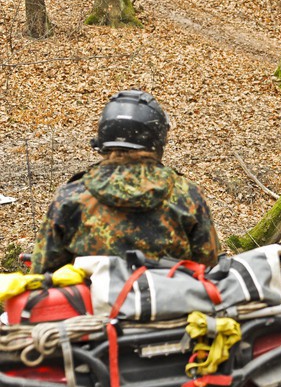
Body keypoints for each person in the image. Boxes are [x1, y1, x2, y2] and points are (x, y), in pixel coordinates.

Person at [31, 90, 220, 273]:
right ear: (158, 138)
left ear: (103, 137)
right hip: (167, 302)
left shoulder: (71, 198)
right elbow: (209, 268)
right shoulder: (186, 195)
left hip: (94, 304)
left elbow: (42, 274)